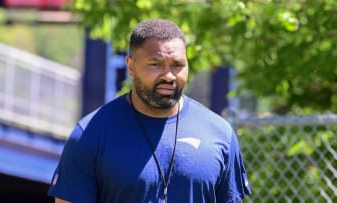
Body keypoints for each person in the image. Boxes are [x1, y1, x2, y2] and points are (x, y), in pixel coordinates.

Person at [48, 19, 251, 203]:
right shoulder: (90, 135)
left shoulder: (219, 133)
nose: (169, 75)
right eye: (156, 64)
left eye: (178, 65)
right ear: (131, 66)